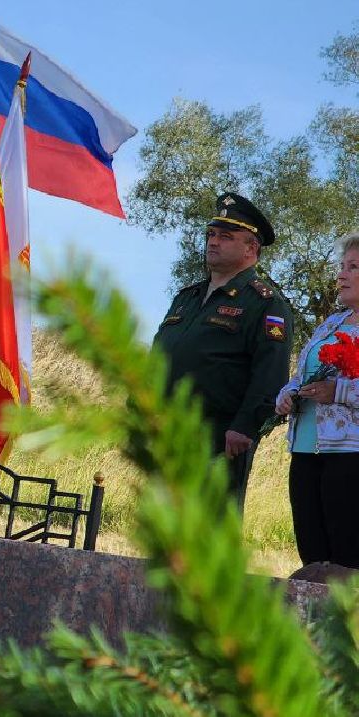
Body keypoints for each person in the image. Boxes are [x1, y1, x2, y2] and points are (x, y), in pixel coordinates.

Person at [153, 193, 293, 505]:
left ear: (251, 248)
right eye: (211, 235)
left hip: (219, 437)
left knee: (208, 530)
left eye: (226, 237)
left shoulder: (265, 303)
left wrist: (245, 427)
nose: (214, 242)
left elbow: (270, 374)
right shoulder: (187, 297)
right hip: (166, 430)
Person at [275, 234, 359, 568]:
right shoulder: (330, 323)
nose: (341, 275)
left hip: (351, 456)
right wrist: (287, 396)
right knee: (312, 555)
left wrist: (336, 392)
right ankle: (312, 619)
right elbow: (302, 374)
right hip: (306, 451)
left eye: (353, 268)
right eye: (342, 267)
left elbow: (336, 387)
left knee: (347, 558)